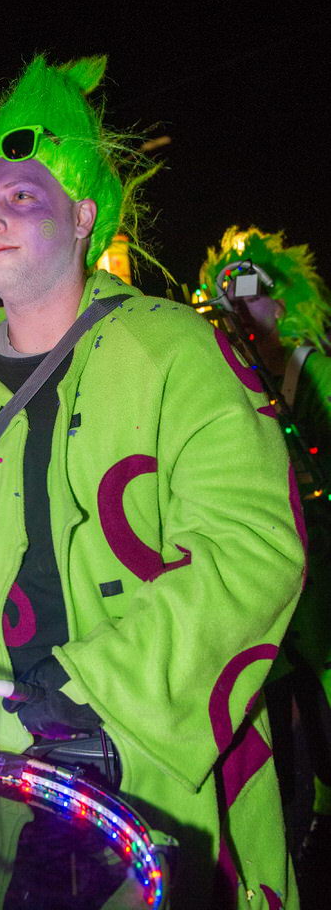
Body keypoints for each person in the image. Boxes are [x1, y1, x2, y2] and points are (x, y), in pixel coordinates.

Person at [0, 55, 305, 907]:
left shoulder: (174, 349)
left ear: (84, 214)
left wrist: (95, 691)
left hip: (154, 768)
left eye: (22, 196)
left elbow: (250, 550)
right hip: (1, 781)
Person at [200, 226, 331, 864]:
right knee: (282, 685)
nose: (238, 305)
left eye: (251, 291)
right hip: (276, 555)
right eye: (229, 293)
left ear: (281, 302)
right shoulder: (236, 372)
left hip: (323, 552)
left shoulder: (315, 368)